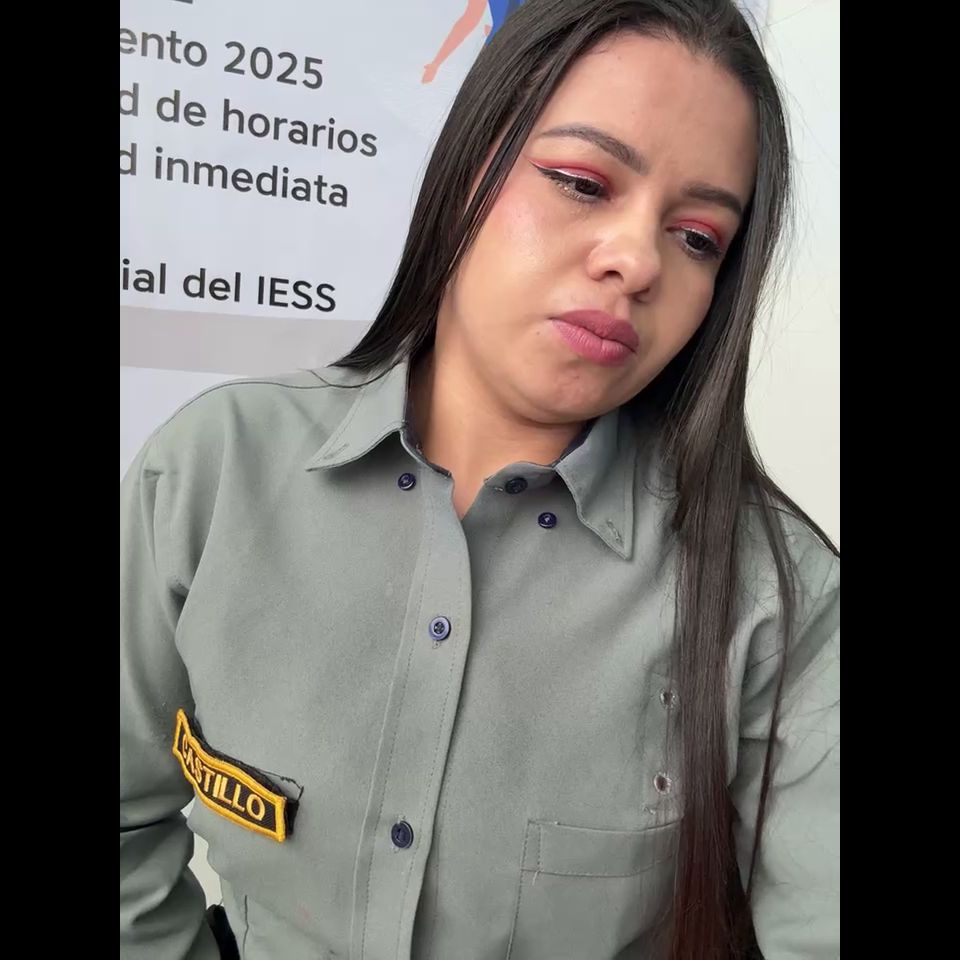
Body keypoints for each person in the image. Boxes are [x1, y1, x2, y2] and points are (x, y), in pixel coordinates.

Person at [120, 1, 840, 957]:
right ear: (467, 167)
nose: (636, 261)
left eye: (698, 236)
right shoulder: (214, 470)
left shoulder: (778, 594)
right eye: (582, 182)